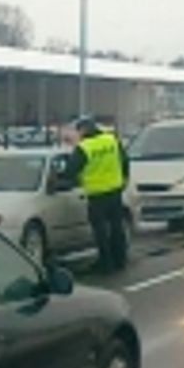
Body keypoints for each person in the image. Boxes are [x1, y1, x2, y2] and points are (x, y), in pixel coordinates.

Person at [68, 116, 130, 273]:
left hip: (97, 195)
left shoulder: (84, 147)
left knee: (100, 230)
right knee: (117, 227)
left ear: (82, 130)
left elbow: (70, 171)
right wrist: (124, 179)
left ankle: (105, 263)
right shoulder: (111, 140)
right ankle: (120, 260)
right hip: (115, 190)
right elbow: (124, 161)